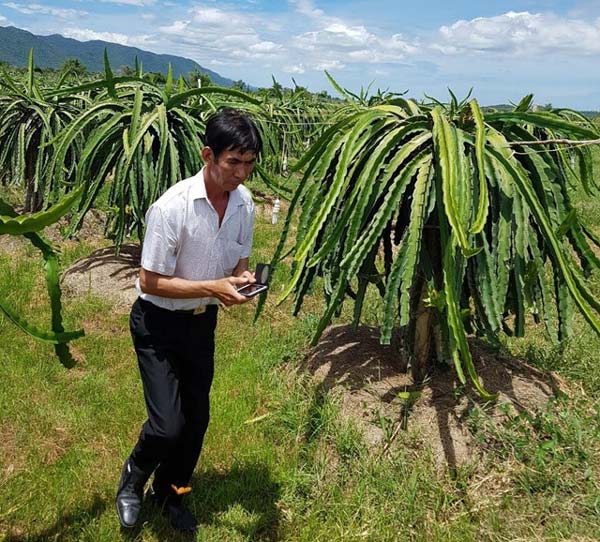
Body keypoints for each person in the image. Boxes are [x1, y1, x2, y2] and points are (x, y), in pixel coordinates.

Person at [115, 108, 262, 533]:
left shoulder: (244, 204)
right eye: (233, 162)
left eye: (249, 163)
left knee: (196, 421)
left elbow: (239, 265)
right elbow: (150, 281)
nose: (241, 173)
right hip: (157, 325)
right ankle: (133, 478)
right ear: (207, 155)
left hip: (201, 325)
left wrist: (242, 281)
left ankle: (171, 492)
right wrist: (213, 287)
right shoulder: (171, 208)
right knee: (167, 425)